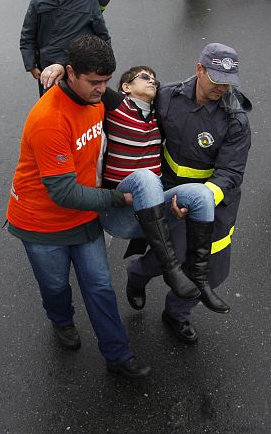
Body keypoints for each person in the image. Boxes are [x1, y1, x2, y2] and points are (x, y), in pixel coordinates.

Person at [6, 35, 150, 379]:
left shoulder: (96, 94)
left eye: (106, 81)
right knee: (56, 287)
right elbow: (64, 193)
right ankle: (61, 320)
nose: (102, 89)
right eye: (94, 82)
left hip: (84, 214)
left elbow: (137, 104)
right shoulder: (49, 119)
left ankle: (117, 355)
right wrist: (119, 198)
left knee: (100, 286)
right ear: (71, 74)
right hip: (41, 223)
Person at [41, 63, 227, 312]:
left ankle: (200, 277)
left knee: (202, 194)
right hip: (120, 210)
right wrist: (61, 68)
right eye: (144, 77)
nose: (152, 81)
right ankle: (171, 269)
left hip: (153, 211)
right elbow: (84, 76)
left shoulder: (158, 114)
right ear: (126, 87)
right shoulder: (118, 105)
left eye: (154, 78)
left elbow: (184, 95)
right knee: (146, 177)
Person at [126, 43, 251, 344]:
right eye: (217, 79)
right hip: (170, 192)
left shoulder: (235, 120)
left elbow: (231, 174)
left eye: (228, 82)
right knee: (167, 256)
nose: (223, 87)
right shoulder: (168, 96)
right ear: (199, 69)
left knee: (213, 270)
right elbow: (134, 119)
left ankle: (176, 314)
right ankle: (138, 274)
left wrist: (199, 201)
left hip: (213, 200)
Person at [19, 0, 110, 96]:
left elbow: (102, 34)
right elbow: (28, 32)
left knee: (80, 109)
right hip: (49, 68)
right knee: (52, 109)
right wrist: (30, 64)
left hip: (78, 66)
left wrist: (105, 66)